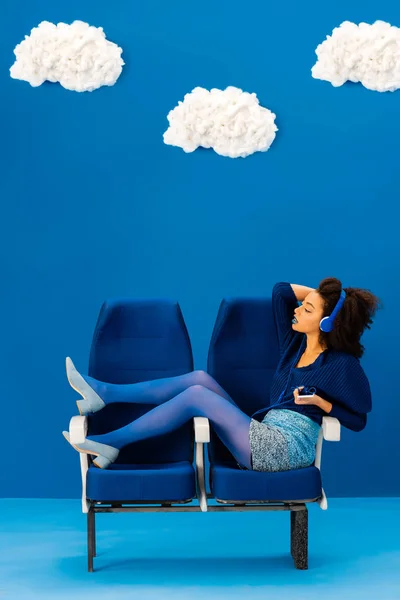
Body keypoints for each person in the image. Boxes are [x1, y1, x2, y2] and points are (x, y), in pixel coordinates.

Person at [62, 278, 380, 471]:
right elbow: (282, 291)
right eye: (303, 306)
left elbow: (359, 419)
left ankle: (112, 442)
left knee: (197, 397)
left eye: (307, 310)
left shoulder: (339, 365)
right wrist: (328, 301)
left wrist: (325, 406)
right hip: (262, 431)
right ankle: (105, 393)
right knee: (199, 379)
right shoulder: (293, 346)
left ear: (327, 325)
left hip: (284, 450)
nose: (297, 310)